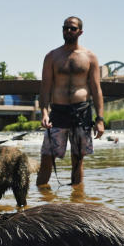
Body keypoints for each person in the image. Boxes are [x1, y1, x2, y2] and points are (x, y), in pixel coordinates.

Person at [36, 16, 104, 187]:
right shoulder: (52, 56)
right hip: (58, 113)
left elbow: (96, 89)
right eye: (65, 28)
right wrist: (44, 113)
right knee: (47, 158)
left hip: (82, 112)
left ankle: (77, 202)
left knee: (78, 160)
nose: (68, 31)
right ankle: (41, 202)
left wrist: (100, 119)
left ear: (80, 32)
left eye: (72, 28)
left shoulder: (90, 57)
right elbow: (45, 88)